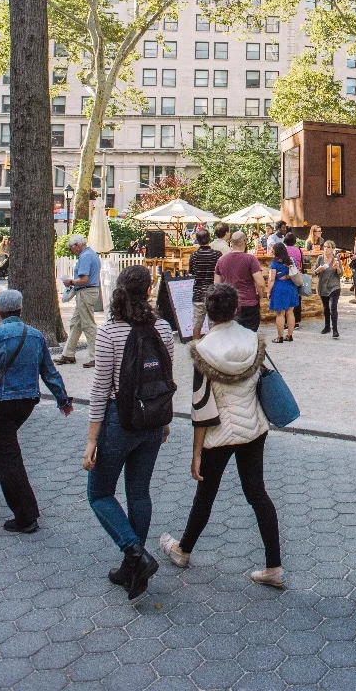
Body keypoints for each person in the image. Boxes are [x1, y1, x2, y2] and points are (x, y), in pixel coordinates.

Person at [159, 283, 283, 585]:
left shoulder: (203, 350)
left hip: (218, 432)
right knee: (258, 494)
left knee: (205, 495)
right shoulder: (254, 340)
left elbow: (200, 406)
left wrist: (196, 452)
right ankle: (274, 567)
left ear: (208, 311)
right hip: (253, 427)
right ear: (236, 308)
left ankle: (184, 550)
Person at [83, 265, 174, 599]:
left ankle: (136, 553)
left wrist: (92, 438)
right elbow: (166, 377)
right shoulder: (163, 328)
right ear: (149, 292)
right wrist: (165, 420)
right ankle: (133, 567)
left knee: (99, 494)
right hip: (151, 420)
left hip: (118, 421)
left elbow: (100, 388)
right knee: (139, 492)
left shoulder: (109, 332)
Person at [0, 289, 73, 531]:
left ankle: (26, 515)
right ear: (20, 309)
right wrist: (63, 400)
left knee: (7, 456)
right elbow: (50, 372)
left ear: (0, 311)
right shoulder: (36, 336)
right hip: (26, 404)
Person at [57, 234, 101, 368]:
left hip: (86, 291)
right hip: (89, 291)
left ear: (77, 245)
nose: (72, 251)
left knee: (88, 325)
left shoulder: (85, 257)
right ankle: (68, 354)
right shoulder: (91, 254)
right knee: (76, 324)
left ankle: (96, 357)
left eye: (71, 248)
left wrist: (70, 281)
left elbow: (84, 280)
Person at [215, 231, 268, 333]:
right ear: (245, 241)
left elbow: (217, 285)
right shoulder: (251, 259)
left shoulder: (221, 260)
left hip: (229, 304)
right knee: (249, 335)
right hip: (248, 303)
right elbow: (260, 283)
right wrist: (260, 296)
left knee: (231, 335)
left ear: (231, 243)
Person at [189, 230, 221, 339]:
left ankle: (196, 347)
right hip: (213, 293)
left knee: (197, 323)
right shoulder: (217, 254)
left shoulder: (194, 256)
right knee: (214, 324)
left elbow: (192, 272)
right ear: (209, 238)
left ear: (197, 240)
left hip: (198, 292)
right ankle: (213, 347)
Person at [267, 242, 299, 343]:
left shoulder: (274, 263)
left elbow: (272, 279)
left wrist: (268, 292)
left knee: (280, 314)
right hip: (291, 287)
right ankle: (290, 335)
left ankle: (280, 337)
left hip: (279, 288)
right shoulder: (291, 260)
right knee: (290, 312)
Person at [313, 241, 343, 338]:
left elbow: (341, 274)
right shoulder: (320, 258)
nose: (326, 249)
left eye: (328, 247)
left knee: (333, 307)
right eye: (325, 247)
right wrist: (319, 269)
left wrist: (337, 268)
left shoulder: (336, 259)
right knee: (326, 308)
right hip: (323, 286)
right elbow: (314, 272)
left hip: (334, 286)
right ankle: (327, 327)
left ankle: (335, 330)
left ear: (333, 249)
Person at [284, 232, 303, 328]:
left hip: (286, 276)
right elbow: (301, 263)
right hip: (296, 275)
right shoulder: (299, 250)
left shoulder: (283, 250)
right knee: (296, 298)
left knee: (286, 299)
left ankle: (287, 321)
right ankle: (296, 320)